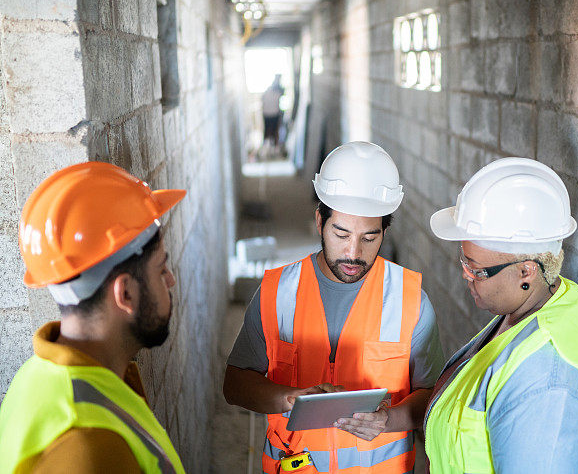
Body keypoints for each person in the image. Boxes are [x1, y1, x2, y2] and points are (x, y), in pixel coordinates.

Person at [223, 141, 444, 473]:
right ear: (319, 221)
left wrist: (389, 419)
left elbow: (434, 395)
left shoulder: (409, 299)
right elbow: (235, 384)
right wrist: (288, 399)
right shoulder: (277, 293)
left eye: (369, 238)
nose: (353, 252)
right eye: (341, 233)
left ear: (385, 231)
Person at [425, 158, 578, 473]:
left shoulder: (549, 380)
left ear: (525, 271)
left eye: (476, 269)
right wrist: (393, 417)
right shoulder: (536, 305)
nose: (466, 275)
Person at [0, 162, 187, 473]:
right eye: (161, 269)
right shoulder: (89, 447)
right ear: (125, 293)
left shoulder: (39, 374)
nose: (170, 280)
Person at [262, 74, 285, 149]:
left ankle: (271, 147)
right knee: (272, 132)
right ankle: (270, 148)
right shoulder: (276, 88)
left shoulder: (275, 88)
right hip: (271, 113)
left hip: (269, 113)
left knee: (270, 132)